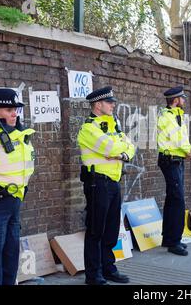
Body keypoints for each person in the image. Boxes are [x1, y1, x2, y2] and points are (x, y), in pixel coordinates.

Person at [77, 86, 135, 285]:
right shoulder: (89, 128)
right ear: (98, 104)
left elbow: (131, 146)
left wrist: (123, 154)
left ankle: (109, 268)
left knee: (111, 229)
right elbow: (112, 148)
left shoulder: (112, 126)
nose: (113, 105)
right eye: (109, 102)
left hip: (113, 182)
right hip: (97, 183)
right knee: (96, 230)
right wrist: (121, 151)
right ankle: (93, 275)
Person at [0, 88, 35, 285]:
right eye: (9, 109)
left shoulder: (17, 134)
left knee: (10, 258)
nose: (14, 113)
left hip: (14, 203)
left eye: (16, 109)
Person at [157, 86, 191, 256]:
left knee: (173, 199)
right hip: (170, 160)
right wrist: (189, 150)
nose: (184, 101)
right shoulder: (168, 117)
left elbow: (182, 138)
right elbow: (177, 138)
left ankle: (168, 238)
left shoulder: (177, 116)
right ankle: (174, 242)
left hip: (176, 160)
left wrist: (187, 149)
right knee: (178, 200)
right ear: (176, 100)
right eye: (182, 98)